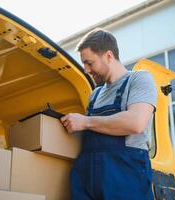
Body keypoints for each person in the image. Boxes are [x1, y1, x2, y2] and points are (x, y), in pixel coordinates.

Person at [61, 28, 157, 200]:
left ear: (109, 56)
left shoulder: (139, 79)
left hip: (126, 180)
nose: (86, 70)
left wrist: (86, 122)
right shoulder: (95, 95)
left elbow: (136, 122)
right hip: (88, 181)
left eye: (89, 63)